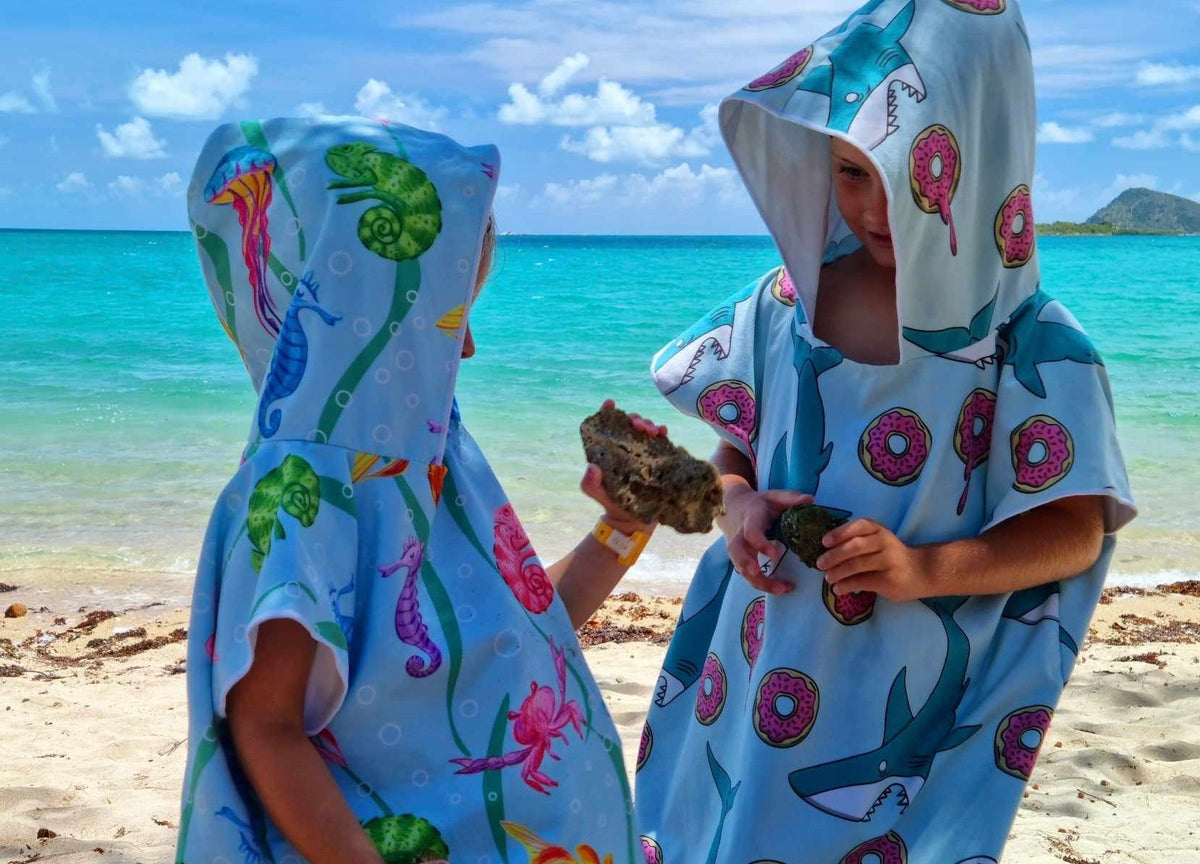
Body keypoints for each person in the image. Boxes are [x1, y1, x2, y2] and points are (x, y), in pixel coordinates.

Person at [635, 1, 1135, 861]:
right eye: (849, 172)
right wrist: (738, 505)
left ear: (983, 163)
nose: (873, 207)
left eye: (902, 175)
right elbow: (734, 457)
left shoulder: (1030, 346)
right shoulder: (783, 303)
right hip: (756, 663)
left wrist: (922, 569)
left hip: (904, 688)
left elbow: (1072, 534)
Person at [176, 117, 658, 864]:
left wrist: (621, 531)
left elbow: (520, 630)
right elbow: (265, 724)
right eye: (452, 313)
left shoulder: (436, 457)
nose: (467, 344)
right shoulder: (305, 486)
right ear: (367, 295)